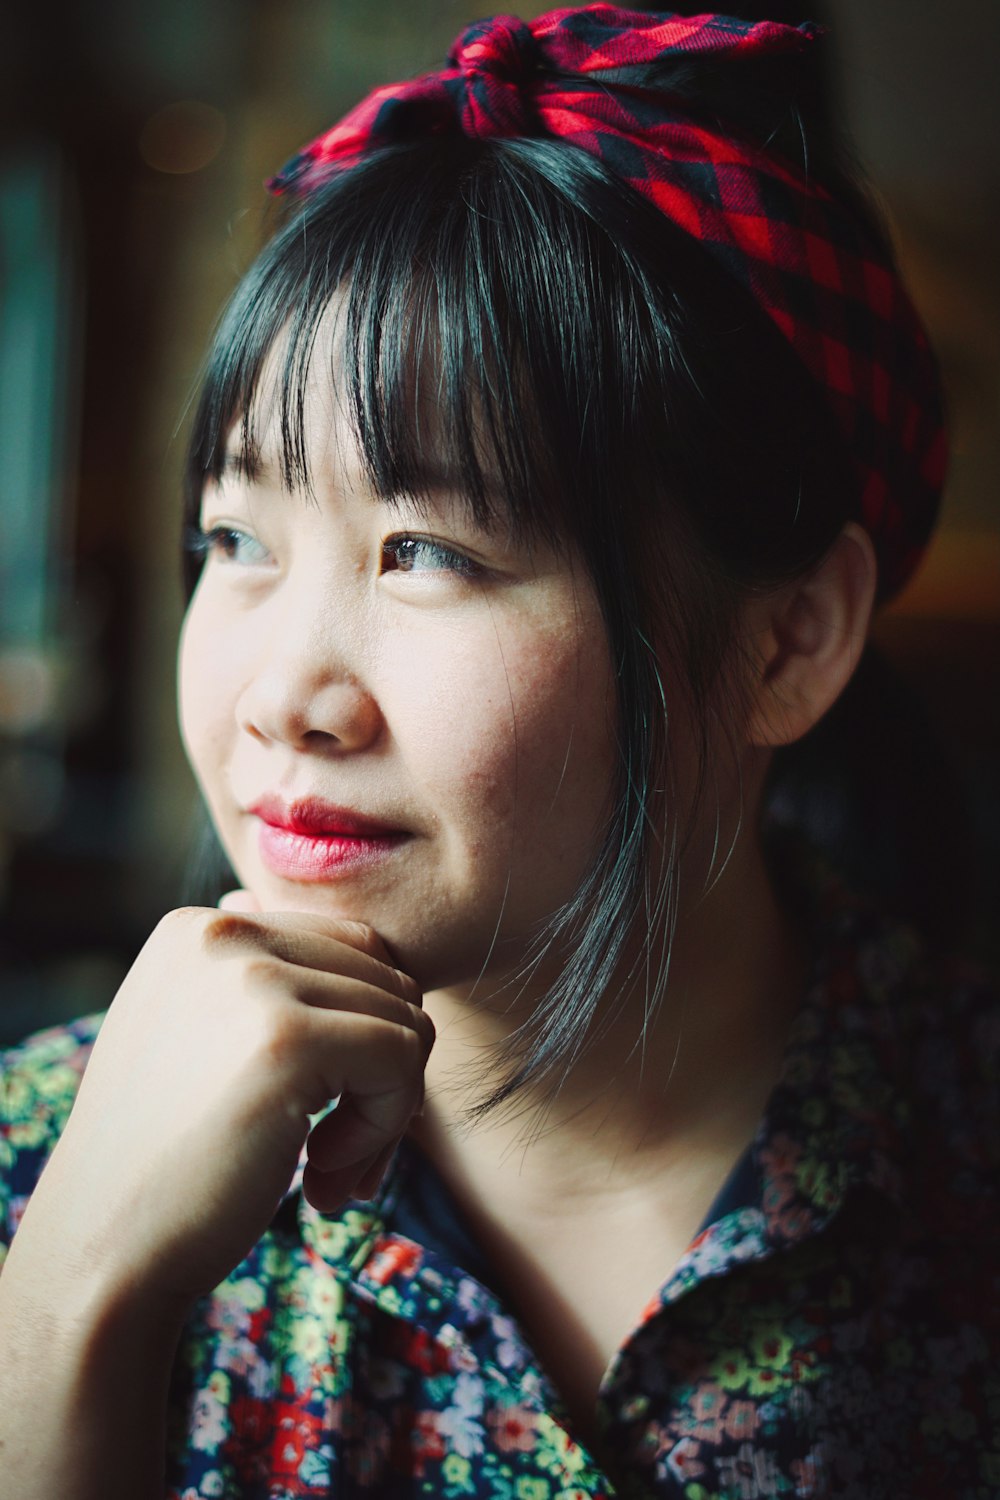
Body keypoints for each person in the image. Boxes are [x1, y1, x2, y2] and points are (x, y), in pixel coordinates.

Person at [1, 7, 996, 1497]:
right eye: (234, 537)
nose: (285, 698)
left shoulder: (962, 1173)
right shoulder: (37, 1167)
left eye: (427, 551)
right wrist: (71, 1310)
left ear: (788, 639)